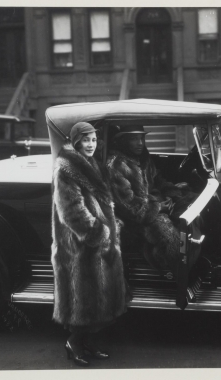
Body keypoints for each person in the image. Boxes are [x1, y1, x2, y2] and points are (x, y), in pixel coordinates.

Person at [51, 122, 129, 367]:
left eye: (94, 140)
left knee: (97, 298)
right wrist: (100, 234)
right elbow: (72, 211)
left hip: (97, 242)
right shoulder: (66, 168)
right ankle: (74, 342)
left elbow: (101, 201)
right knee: (82, 300)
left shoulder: (91, 164)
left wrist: (111, 225)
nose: (91, 145)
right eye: (86, 140)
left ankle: (89, 342)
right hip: (80, 245)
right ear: (76, 141)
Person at [106, 125, 196, 273]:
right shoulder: (116, 165)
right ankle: (173, 272)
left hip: (153, 204)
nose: (140, 143)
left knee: (191, 201)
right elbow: (129, 206)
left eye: (142, 138)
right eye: (134, 139)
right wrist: (158, 207)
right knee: (168, 233)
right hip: (133, 219)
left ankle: (193, 260)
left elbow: (158, 181)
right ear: (123, 140)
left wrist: (172, 194)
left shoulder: (143, 158)